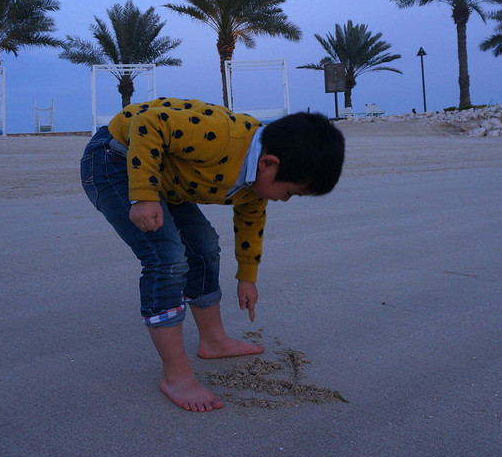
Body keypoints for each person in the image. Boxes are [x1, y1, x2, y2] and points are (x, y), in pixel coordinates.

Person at [80, 97, 345, 411]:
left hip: (165, 176)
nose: (286, 200)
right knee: (167, 258)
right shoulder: (221, 136)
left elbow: (251, 223)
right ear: (268, 164)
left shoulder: (254, 185)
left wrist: (247, 278)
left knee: (204, 246)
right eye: (290, 192)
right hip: (115, 161)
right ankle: (176, 375)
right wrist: (144, 195)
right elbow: (148, 123)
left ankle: (213, 340)